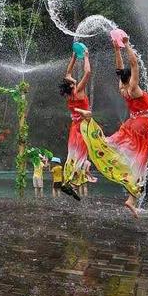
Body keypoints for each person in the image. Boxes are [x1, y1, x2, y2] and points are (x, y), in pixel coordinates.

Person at [80, 36, 148, 218]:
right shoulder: (134, 88)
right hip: (142, 125)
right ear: (132, 78)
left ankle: (131, 198)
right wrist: (127, 44)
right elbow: (134, 63)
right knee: (139, 162)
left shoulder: (123, 87)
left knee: (123, 154)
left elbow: (120, 70)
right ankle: (131, 199)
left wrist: (116, 49)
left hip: (131, 123)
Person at [59, 49, 92, 201]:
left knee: (73, 154)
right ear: (72, 86)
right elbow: (88, 72)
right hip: (83, 126)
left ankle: (68, 182)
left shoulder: (70, 94)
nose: (73, 79)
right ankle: (71, 182)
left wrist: (73, 57)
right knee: (81, 154)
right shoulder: (78, 91)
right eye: (72, 80)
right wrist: (85, 57)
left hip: (74, 126)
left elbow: (68, 72)